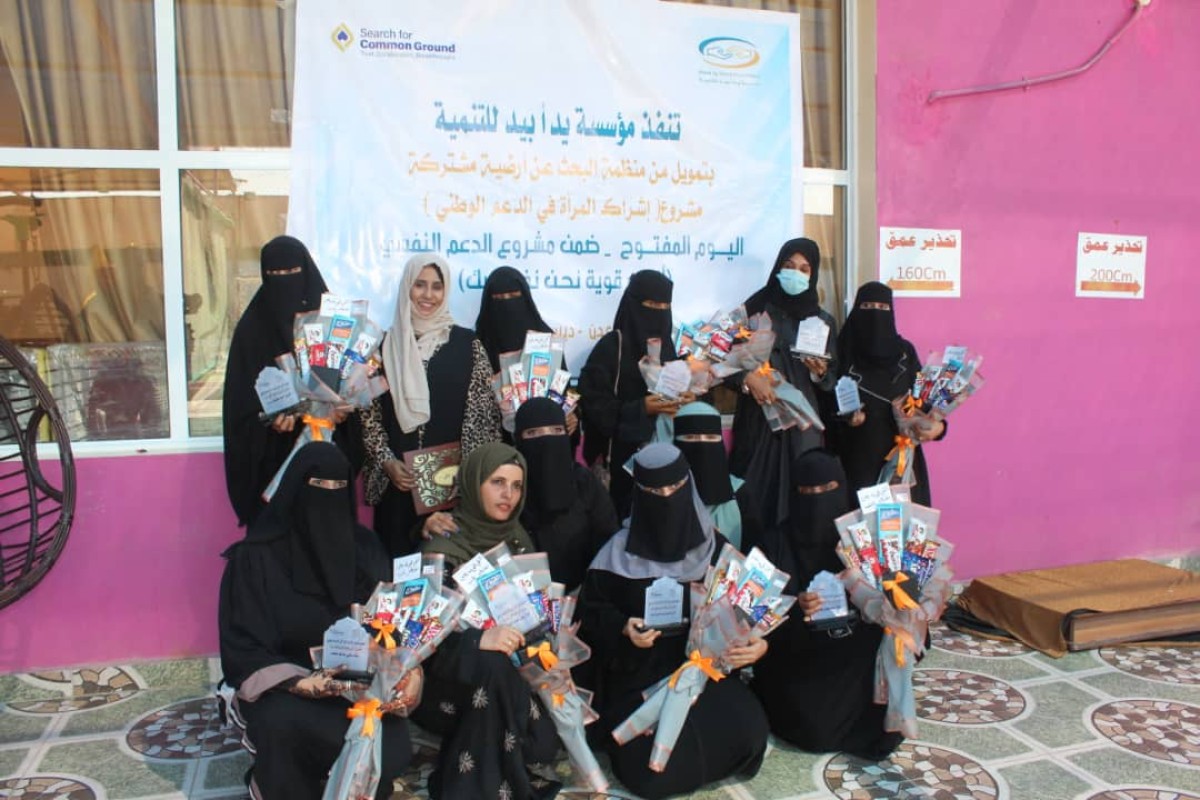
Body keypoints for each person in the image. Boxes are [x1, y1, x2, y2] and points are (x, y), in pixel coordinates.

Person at [218, 442, 420, 800]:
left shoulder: (366, 549)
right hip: (284, 687)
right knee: (283, 728)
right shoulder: (255, 558)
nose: (326, 500)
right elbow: (242, 645)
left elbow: (392, 624)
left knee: (393, 752)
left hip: (355, 687)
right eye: (317, 487)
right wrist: (299, 682)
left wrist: (408, 672)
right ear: (295, 487)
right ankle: (272, 781)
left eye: (337, 488)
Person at [577, 444, 769, 800]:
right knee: (652, 773)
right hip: (638, 675)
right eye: (653, 491)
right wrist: (622, 627)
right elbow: (589, 612)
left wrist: (757, 642)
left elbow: (745, 611)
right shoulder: (615, 554)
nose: (665, 498)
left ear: (689, 486)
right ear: (638, 495)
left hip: (701, 672)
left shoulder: (716, 548)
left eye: (674, 488)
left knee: (749, 735)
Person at [413, 442, 562, 800]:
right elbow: (418, 640)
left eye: (516, 485)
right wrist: (476, 640)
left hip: (515, 675)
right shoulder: (442, 546)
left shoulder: (519, 540)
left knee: (542, 745)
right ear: (473, 482)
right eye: (497, 482)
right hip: (451, 682)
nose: (508, 494)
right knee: (492, 666)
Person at [749, 449, 902, 760]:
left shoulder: (863, 538)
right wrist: (794, 608)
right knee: (814, 731)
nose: (816, 500)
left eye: (827, 490)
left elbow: (899, 604)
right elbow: (755, 615)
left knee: (883, 729)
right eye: (806, 492)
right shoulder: (774, 542)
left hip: (854, 647)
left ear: (842, 488)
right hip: (798, 652)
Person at [361, 254, 501, 556]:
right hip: (398, 490)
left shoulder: (469, 345)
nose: (428, 295)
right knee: (399, 577)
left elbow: (482, 419)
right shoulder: (382, 347)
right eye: (419, 285)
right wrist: (386, 461)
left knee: (447, 574)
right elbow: (368, 416)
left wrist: (468, 480)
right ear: (406, 288)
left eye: (437, 287)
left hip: (453, 493)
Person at [222, 235, 353, 527]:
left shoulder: (331, 324)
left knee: (323, 544)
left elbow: (354, 387)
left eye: (291, 274)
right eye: (275, 275)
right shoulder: (251, 332)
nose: (284, 283)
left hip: (324, 463)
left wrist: (343, 413)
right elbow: (238, 411)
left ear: (306, 273)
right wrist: (268, 425)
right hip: (272, 469)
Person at [729, 237, 838, 529]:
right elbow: (720, 360)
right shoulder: (754, 311)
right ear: (778, 268)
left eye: (804, 269)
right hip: (759, 421)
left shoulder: (823, 321)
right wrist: (747, 378)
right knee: (753, 498)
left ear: (812, 275)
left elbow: (831, 383)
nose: (795, 273)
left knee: (800, 501)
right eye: (789, 266)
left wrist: (820, 372)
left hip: (803, 426)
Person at [578, 270, 687, 519]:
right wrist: (642, 409)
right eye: (650, 305)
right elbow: (594, 404)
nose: (658, 312)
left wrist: (686, 399)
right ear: (633, 304)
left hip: (665, 463)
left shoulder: (669, 348)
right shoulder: (611, 346)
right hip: (619, 465)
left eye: (664, 306)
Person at [836, 281, 945, 506]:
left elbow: (923, 400)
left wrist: (938, 427)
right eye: (867, 307)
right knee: (862, 536)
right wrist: (847, 420)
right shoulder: (842, 351)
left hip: (904, 463)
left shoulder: (906, 353)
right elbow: (825, 407)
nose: (876, 315)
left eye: (882, 308)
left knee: (904, 536)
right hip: (857, 461)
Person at [472, 265, 579, 442]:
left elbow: (564, 391)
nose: (507, 305)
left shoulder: (546, 340)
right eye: (498, 298)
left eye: (514, 297)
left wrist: (571, 418)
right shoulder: (478, 345)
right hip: (495, 447)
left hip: (543, 444)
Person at [671, 401, 761, 551]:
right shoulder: (664, 491)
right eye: (690, 438)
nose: (701, 446)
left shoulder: (739, 492)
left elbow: (753, 548)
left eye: (710, 438)